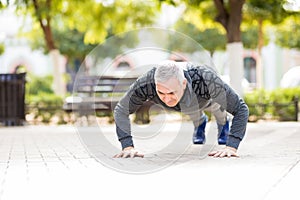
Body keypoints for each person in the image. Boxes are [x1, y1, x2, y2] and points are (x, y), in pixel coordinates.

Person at [113, 61, 249, 158]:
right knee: (189, 110)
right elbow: (121, 109)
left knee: (216, 107)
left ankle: (223, 122)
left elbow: (241, 109)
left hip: (204, 99)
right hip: (187, 106)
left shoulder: (205, 79)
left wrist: (232, 146)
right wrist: (127, 146)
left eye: (171, 93)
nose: (167, 98)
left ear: (183, 83)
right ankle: (200, 122)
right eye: (161, 93)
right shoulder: (146, 83)